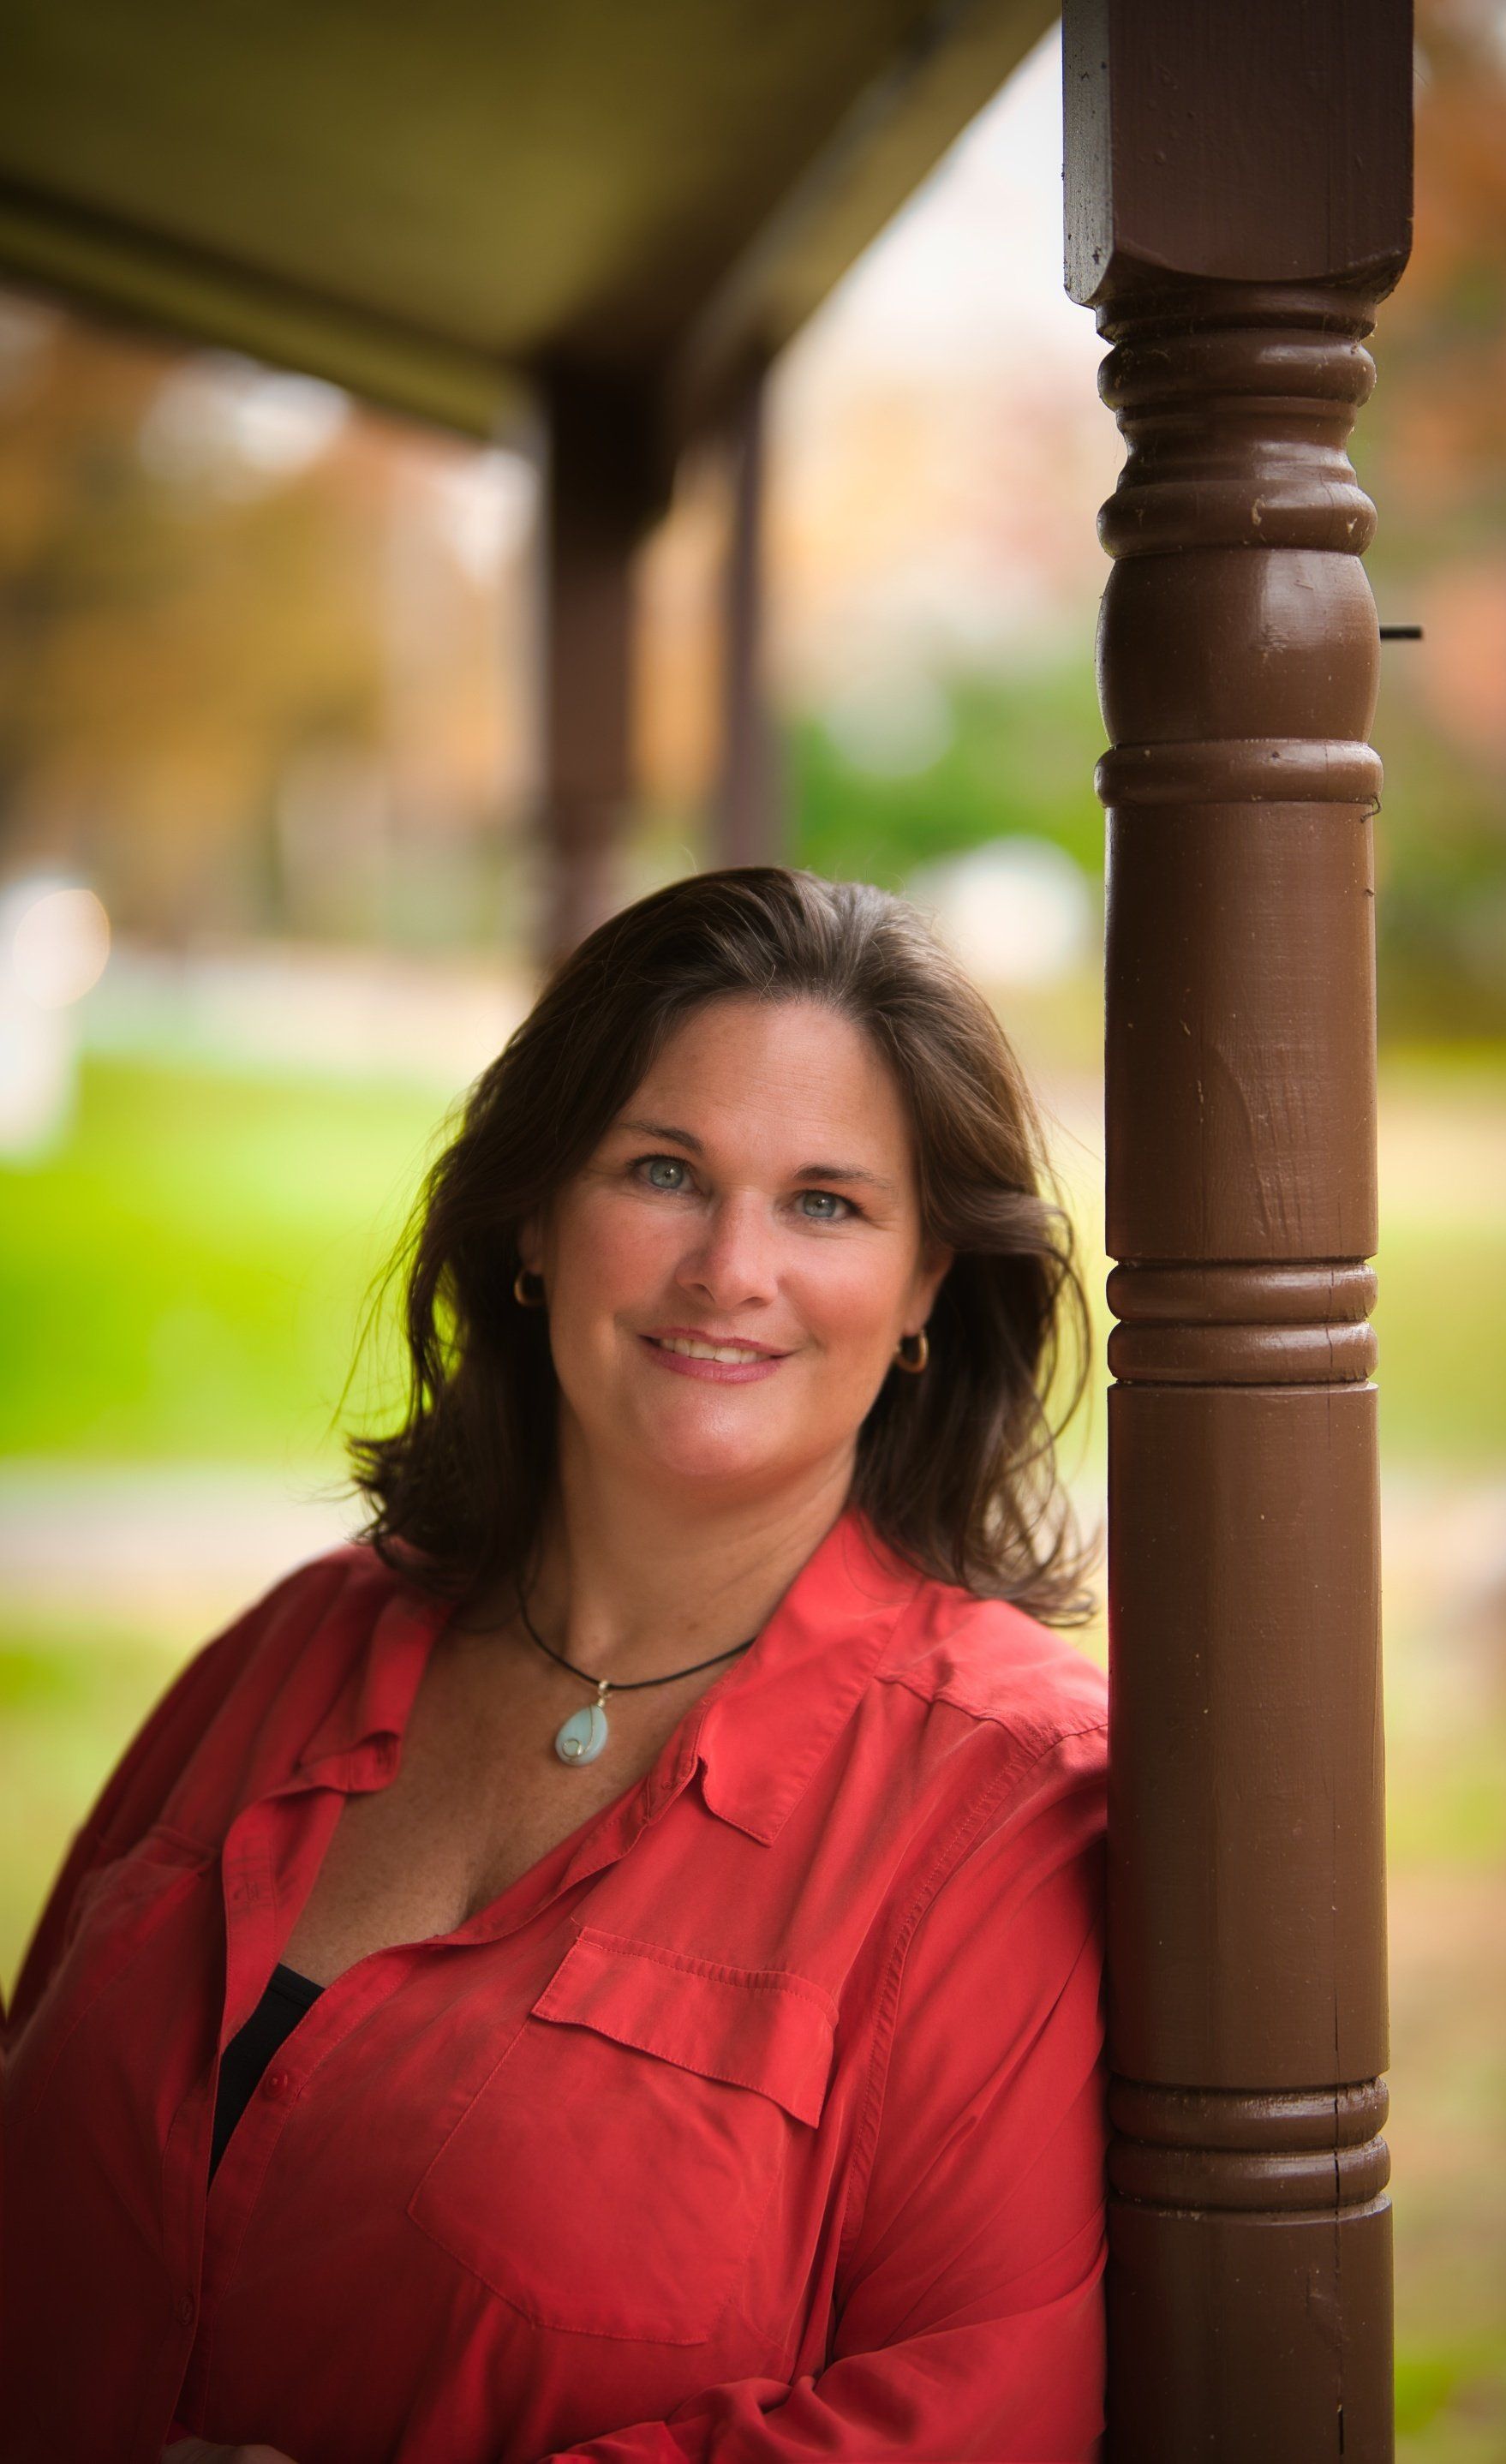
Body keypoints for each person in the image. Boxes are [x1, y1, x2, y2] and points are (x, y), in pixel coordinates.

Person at [3, 866, 1110, 2464]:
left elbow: (980, 2415)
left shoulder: (1008, 1811)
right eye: (663, 1170)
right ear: (532, 1216)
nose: (731, 1268)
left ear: (930, 1279)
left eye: (826, 1202)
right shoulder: (295, 1648)